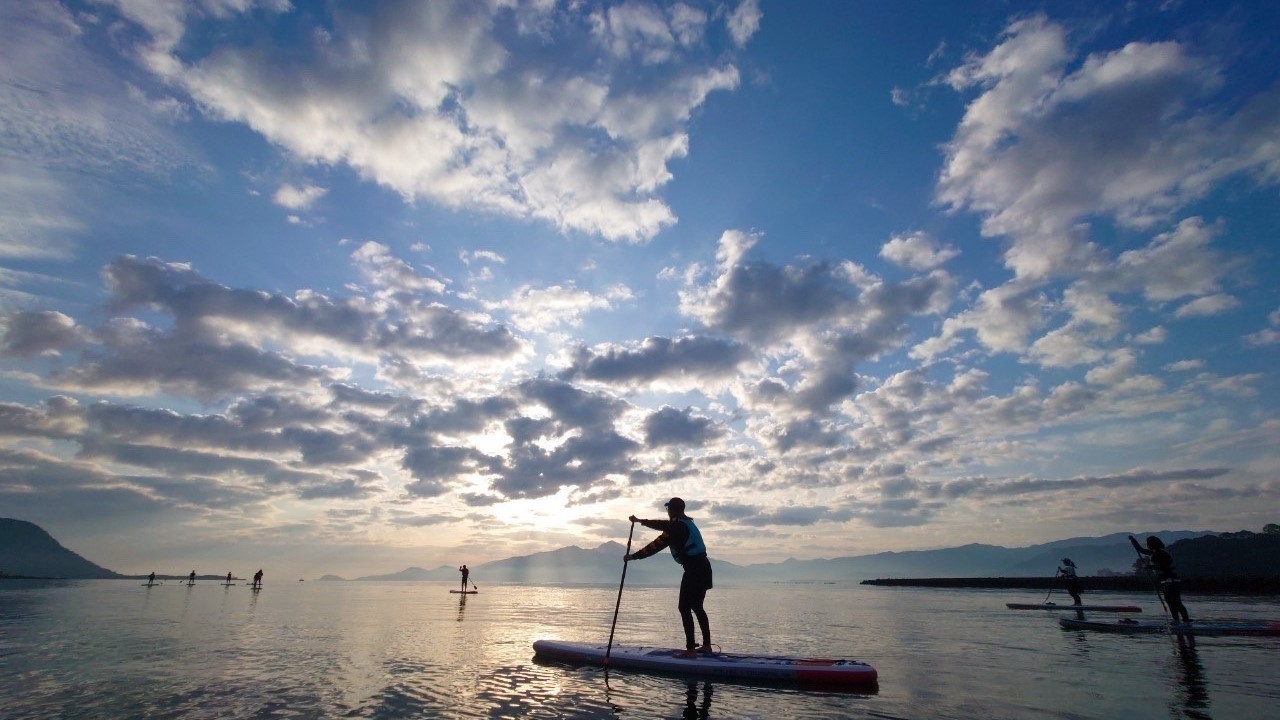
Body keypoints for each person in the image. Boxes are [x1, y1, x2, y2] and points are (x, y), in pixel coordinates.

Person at [624, 497, 713, 659]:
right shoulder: (685, 523)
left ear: (672, 510)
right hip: (704, 568)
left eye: (668, 509)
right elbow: (662, 524)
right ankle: (706, 646)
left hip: (694, 570)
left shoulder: (677, 527)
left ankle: (691, 650)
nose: (667, 512)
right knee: (697, 606)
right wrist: (640, 521)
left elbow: (656, 545)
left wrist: (633, 557)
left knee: (684, 607)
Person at [1131, 535, 1191, 624]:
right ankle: (1180, 620)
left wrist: (1149, 566)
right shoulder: (1154, 553)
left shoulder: (1161, 554)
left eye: (1148, 544)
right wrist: (1133, 540)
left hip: (1171, 581)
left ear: (1151, 545)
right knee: (1174, 601)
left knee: (1174, 601)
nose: (1147, 545)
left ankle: (1180, 620)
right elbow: (1140, 550)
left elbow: (1163, 567)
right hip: (1169, 581)